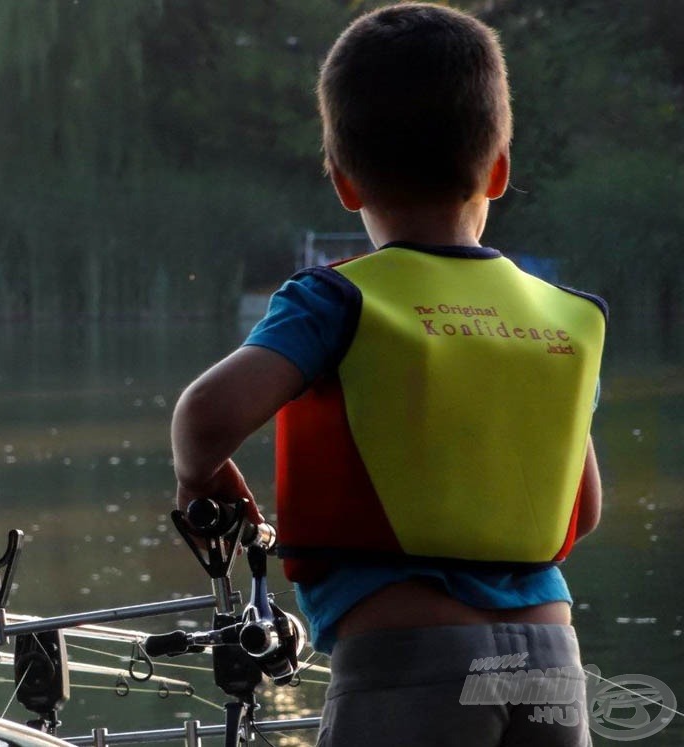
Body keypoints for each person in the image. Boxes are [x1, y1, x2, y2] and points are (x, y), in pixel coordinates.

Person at [170, 3, 607, 746]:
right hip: (550, 657)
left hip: (412, 656)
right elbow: (583, 510)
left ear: (344, 182)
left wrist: (199, 476)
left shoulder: (336, 298)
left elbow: (208, 414)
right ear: (498, 171)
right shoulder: (564, 319)